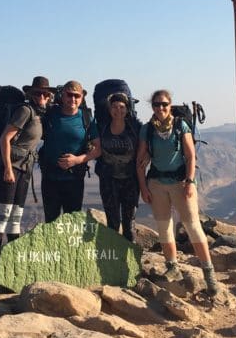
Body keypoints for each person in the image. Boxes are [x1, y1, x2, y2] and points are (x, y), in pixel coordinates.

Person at [136, 89, 221, 295]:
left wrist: (190, 182)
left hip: (180, 182)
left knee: (193, 226)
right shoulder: (147, 130)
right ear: (152, 107)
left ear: (170, 105)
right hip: (157, 183)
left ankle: (209, 275)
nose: (160, 108)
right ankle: (172, 267)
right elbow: (140, 162)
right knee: (164, 227)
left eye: (164, 104)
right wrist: (143, 187)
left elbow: (191, 157)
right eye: (156, 105)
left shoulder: (180, 126)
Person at [0, 76, 55, 259]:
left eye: (45, 93)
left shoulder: (40, 114)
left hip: (25, 168)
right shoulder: (25, 111)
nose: (42, 96)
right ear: (31, 94)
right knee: (4, 214)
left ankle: (11, 258)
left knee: (16, 216)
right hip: (10, 168)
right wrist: (7, 168)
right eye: (38, 93)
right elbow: (5, 138)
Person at [38, 80, 100, 222]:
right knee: (51, 223)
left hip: (74, 180)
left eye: (76, 96)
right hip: (50, 178)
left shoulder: (86, 118)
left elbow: (98, 149)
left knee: (71, 223)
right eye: (69, 95)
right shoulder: (50, 114)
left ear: (82, 98)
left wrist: (77, 160)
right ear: (63, 95)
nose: (73, 99)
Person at [96, 91, 140, 241]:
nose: (118, 110)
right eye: (114, 107)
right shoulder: (102, 127)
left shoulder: (135, 127)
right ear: (109, 109)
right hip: (109, 181)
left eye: (121, 106)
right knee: (112, 222)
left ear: (127, 109)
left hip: (131, 181)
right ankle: (114, 259)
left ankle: (130, 259)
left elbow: (146, 147)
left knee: (129, 224)